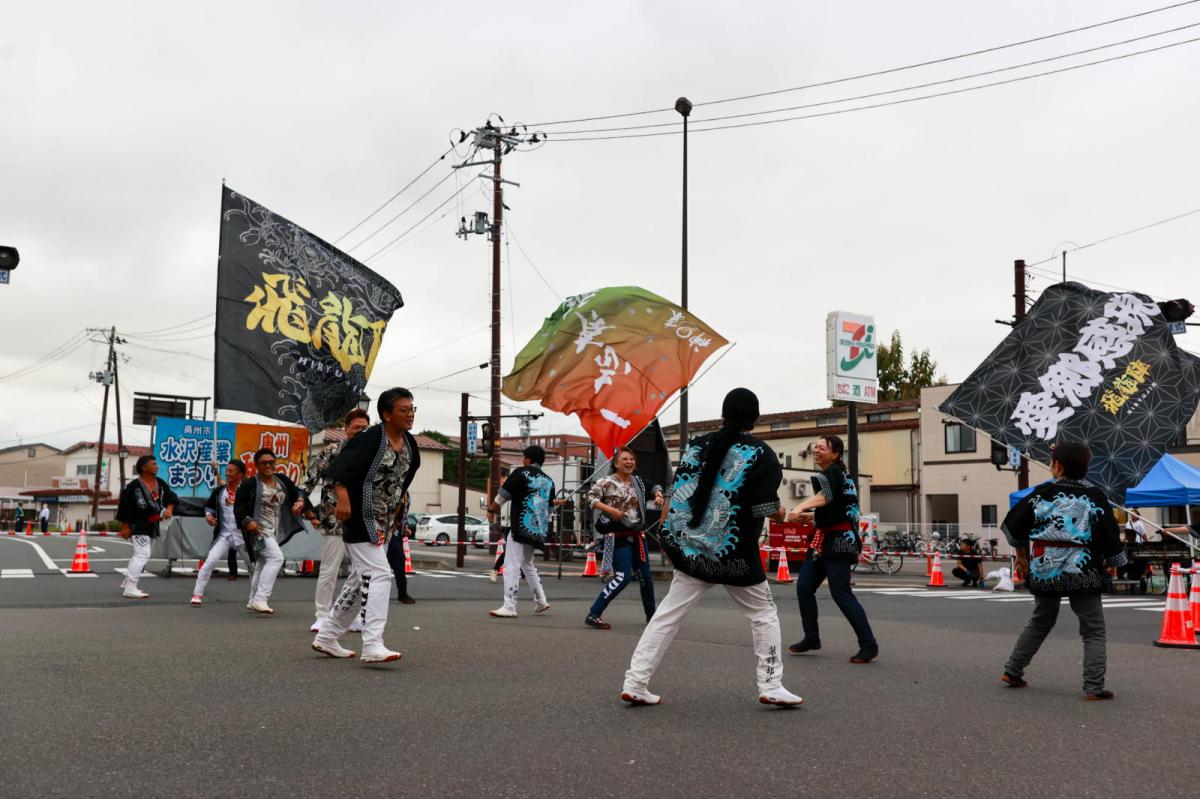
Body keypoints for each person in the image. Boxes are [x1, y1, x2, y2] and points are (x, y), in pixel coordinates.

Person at [621, 387, 803, 707]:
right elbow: (763, 508)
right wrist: (786, 514)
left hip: (691, 549)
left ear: (723, 414)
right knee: (763, 614)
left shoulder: (696, 445)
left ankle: (636, 682)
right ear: (755, 418)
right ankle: (771, 684)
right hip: (734, 555)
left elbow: (678, 493)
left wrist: (669, 536)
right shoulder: (760, 453)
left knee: (666, 615)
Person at [1000, 441, 1124, 700]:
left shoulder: (1040, 494)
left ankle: (1013, 670)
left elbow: (1014, 525)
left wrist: (1021, 557)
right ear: (1085, 467)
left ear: (1057, 466)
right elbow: (1110, 534)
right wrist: (1112, 563)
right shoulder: (1096, 496)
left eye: (1051, 462)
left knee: (1040, 620)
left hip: (1045, 566)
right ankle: (1093, 686)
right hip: (1083, 568)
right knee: (1093, 629)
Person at [312, 387, 421, 663]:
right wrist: (343, 499)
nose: (409, 415)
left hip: (385, 519)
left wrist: (399, 511)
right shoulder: (371, 438)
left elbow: (403, 481)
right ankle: (372, 643)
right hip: (360, 515)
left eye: (412, 409)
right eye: (403, 410)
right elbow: (338, 469)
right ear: (386, 414)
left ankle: (327, 636)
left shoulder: (410, 444)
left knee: (357, 582)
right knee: (379, 574)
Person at [785, 434, 878, 664]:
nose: (816, 451)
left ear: (835, 454)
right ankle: (811, 637)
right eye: (815, 447)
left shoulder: (834, 473)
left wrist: (802, 506)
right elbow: (834, 506)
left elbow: (826, 497)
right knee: (804, 587)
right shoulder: (832, 475)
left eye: (822, 448)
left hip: (840, 541)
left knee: (840, 593)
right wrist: (809, 516)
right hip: (822, 540)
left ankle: (869, 644)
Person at [303, 408, 372, 632]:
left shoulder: (371, 454)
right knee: (329, 570)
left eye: (365, 428)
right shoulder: (331, 450)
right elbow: (311, 477)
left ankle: (351, 617)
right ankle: (322, 615)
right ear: (346, 429)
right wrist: (301, 499)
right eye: (356, 428)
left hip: (361, 520)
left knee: (361, 572)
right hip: (333, 520)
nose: (361, 432)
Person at [583, 447, 660, 629]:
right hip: (617, 536)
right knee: (623, 577)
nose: (629, 462)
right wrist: (610, 510)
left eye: (631, 459)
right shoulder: (607, 482)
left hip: (637, 536)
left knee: (645, 578)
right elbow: (590, 498)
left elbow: (655, 486)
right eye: (624, 459)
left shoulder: (638, 482)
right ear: (616, 463)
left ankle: (652, 617)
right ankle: (594, 613)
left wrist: (657, 496)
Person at [486, 445, 566, 618]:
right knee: (528, 565)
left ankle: (509, 605)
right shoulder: (549, 480)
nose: (523, 460)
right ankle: (541, 600)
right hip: (537, 528)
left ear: (528, 459)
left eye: (524, 458)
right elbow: (550, 509)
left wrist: (491, 510)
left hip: (521, 525)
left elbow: (503, 495)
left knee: (511, 565)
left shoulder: (521, 472)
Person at [235, 447, 307, 615]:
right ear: (257, 466)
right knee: (276, 558)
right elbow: (238, 509)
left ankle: (253, 600)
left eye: (271, 462)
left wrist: (300, 502)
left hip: (274, 530)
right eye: (264, 463)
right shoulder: (250, 484)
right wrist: (248, 521)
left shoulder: (281, 480)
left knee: (261, 564)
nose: (268, 465)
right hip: (258, 531)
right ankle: (261, 598)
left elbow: (297, 492)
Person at [190, 460, 255, 605]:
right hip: (224, 535)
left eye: (231, 471)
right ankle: (197, 594)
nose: (228, 473)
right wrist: (208, 516)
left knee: (253, 567)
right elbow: (209, 507)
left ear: (240, 474)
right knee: (209, 562)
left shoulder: (247, 492)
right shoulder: (219, 491)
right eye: (227, 470)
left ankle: (255, 599)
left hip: (242, 536)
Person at [115, 455, 178, 599]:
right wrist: (125, 526)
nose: (157, 466)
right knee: (142, 554)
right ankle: (130, 587)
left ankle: (126, 583)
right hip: (138, 524)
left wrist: (169, 509)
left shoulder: (160, 483)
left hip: (153, 523)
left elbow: (171, 497)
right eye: (153, 464)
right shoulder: (132, 487)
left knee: (140, 554)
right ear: (144, 467)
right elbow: (125, 508)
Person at [384, 491, 416, 604]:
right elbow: (394, 511)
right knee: (398, 560)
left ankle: (402, 594)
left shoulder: (406, 492)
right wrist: (392, 526)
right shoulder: (397, 490)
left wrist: (404, 528)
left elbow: (403, 514)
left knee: (397, 562)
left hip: (396, 533)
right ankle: (402, 594)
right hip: (388, 531)